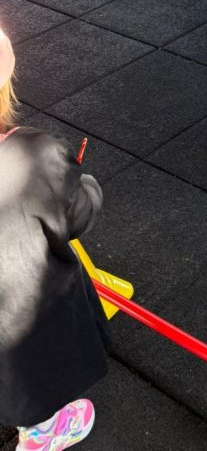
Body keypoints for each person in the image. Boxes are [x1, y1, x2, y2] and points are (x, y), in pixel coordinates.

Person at [0, 27, 109, 450]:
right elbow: (78, 214)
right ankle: (43, 432)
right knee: (31, 368)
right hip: (24, 314)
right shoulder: (36, 155)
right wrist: (88, 186)